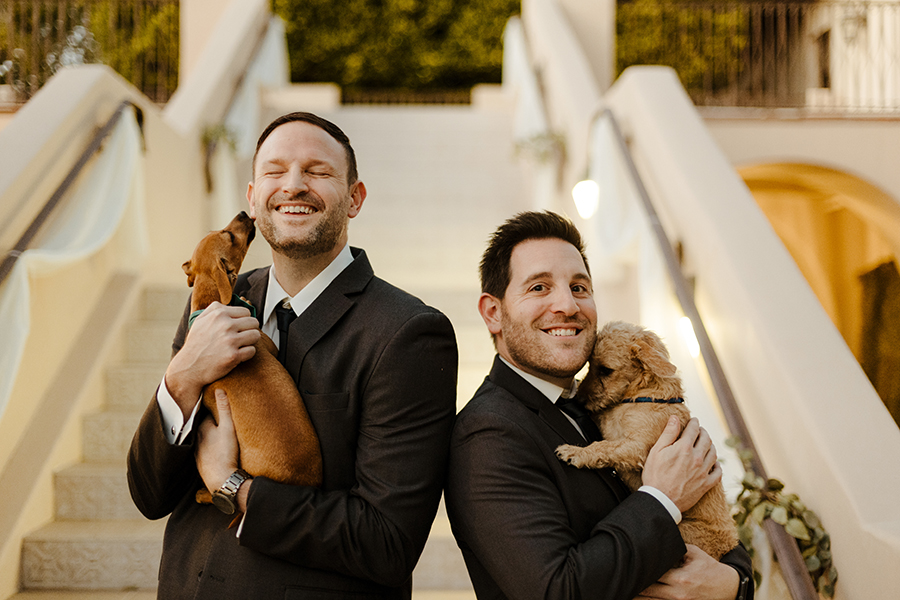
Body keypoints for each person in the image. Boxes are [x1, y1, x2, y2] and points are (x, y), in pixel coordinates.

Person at [127, 112, 458, 599]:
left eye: (317, 171)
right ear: (253, 197)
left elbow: (385, 543)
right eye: (275, 171)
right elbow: (149, 494)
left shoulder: (410, 333)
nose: (294, 185)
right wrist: (183, 376)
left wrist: (232, 486)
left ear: (355, 198)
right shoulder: (213, 302)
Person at [444, 211, 753, 600]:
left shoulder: (606, 402)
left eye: (579, 287)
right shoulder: (487, 434)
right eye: (539, 287)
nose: (567, 305)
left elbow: (717, 525)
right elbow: (558, 590)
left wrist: (732, 584)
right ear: (493, 313)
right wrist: (663, 498)